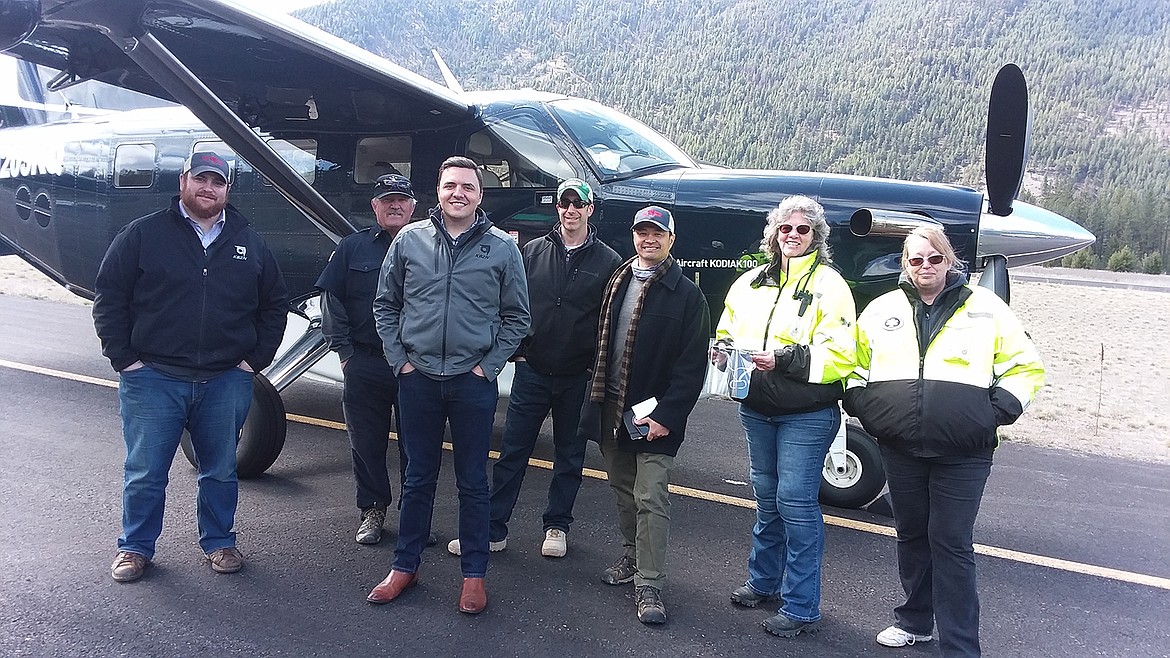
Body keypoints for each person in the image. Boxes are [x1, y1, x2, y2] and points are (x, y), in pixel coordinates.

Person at [843, 226, 1044, 656]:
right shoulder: (882, 310)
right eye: (916, 260)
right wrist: (868, 409)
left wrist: (990, 415)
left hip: (964, 452)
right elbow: (854, 367)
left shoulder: (986, 309)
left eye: (934, 258)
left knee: (950, 541)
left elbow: (1025, 368)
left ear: (950, 260)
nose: (925, 267)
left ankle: (959, 644)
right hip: (900, 448)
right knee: (912, 534)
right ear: (904, 264)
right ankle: (914, 622)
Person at [93, 151, 289, 583]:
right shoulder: (143, 234)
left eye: (217, 182)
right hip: (154, 378)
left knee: (220, 470)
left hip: (225, 380)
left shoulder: (249, 241)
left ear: (227, 190)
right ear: (183, 181)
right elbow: (109, 296)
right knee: (145, 471)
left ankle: (219, 542)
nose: (208, 188)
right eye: (201, 178)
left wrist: (253, 361)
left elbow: (274, 304)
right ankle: (134, 549)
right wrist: (125, 359)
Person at [367, 156, 530, 614]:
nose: (459, 193)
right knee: (417, 478)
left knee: (473, 482)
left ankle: (474, 575)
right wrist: (400, 361)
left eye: (468, 187)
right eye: (450, 186)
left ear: (480, 196)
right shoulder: (409, 240)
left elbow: (518, 317)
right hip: (417, 379)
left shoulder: (502, 248)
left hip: (471, 382)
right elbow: (386, 304)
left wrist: (488, 367)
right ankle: (405, 566)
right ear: (437, 192)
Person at [446, 178, 621, 560]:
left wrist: (596, 366)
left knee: (569, 457)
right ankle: (493, 529)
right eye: (564, 203)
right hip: (533, 372)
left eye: (579, 204)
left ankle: (557, 526)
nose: (571, 210)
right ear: (556, 208)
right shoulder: (531, 252)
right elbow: (508, 303)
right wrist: (517, 350)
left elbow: (610, 321)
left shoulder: (609, 262)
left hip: (578, 377)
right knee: (512, 453)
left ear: (591, 209)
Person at [713, 195, 857, 637]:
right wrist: (720, 351)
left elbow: (842, 354)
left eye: (802, 229)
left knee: (795, 504)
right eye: (785, 228)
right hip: (757, 409)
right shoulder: (750, 282)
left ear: (816, 236)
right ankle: (763, 583)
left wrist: (785, 359)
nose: (792, 236)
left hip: (806, 414)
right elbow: (726, 328)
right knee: (767, 500)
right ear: (772, 233)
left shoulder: (831, 286)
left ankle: (801, 607)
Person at [578, 205, 710, 625]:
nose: (648, 239)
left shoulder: (687, 294)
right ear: (633, 236)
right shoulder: (616, 281)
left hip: (655, 417)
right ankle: (632, 559)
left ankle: (650, 582)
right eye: (642, 232)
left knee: (650, 496)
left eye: (657, 233)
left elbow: (692, 365)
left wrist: (667, 415)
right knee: (621, 488)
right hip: (612, 405)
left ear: (672, 240)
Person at [315, 173, 424, 546]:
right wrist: (345, 355)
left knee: (417, 445)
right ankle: (373, 511)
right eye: (387, 200)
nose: (395, 206)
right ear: (375, 206)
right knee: (366, 442)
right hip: (366, 362)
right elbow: (333, 302)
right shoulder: (351, 247)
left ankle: (414, 518)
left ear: (413, 207)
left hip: (416, 365)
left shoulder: (430, 247)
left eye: (402, 200)